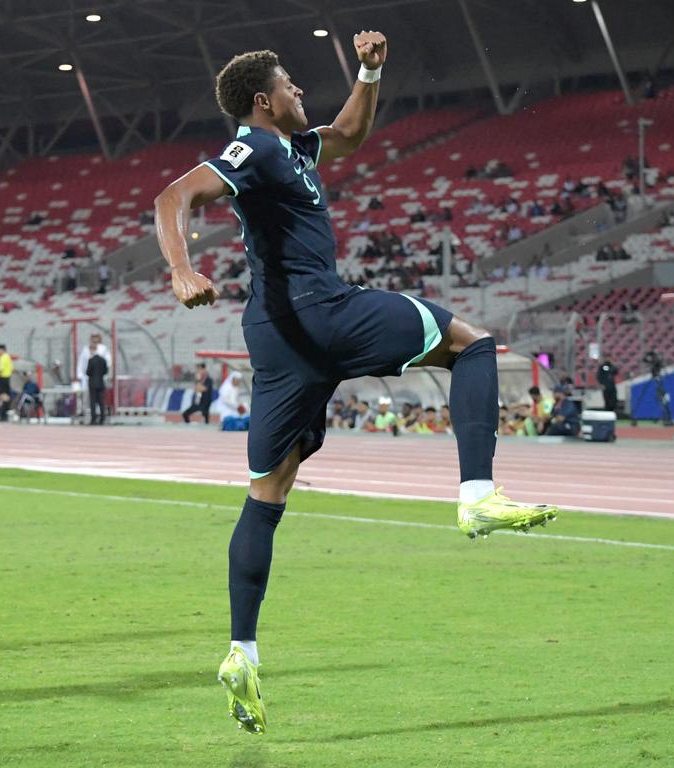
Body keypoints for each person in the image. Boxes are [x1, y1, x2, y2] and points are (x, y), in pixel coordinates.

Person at [153, 31, 557, 734]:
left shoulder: (296, 147)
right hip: (321, 314)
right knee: (472, 344)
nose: (300, 93)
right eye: (290, 87)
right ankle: (477, 494)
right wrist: (182, 271)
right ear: (263, 101)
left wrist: (370, 70)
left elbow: (347, 134)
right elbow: (174, 196)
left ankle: (241, 652)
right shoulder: (259, 146)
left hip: (277, 340)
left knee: (267, 492)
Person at [86, 342, 109, 425]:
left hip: (92, 383)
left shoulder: (91, 360)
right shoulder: (103, 360)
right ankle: (102, 418)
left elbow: (88, 372)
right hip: (101, 383)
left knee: (93, 402)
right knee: (101, 402)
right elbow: (105, 371)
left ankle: (93, 419)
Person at [0, 344, 13, 422]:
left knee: (3, 397)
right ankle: (5, 414)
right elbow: (12, 368)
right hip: (7, 378)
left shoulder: (2, 358)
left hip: (3, 378)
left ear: (2, 350)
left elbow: (0, 369)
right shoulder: (8, 357)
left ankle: (3, 415)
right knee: (6, 397)